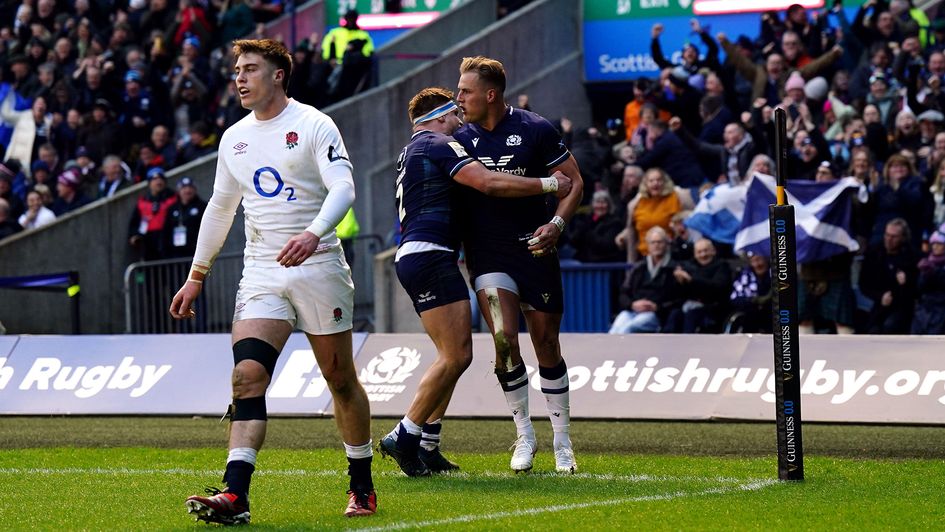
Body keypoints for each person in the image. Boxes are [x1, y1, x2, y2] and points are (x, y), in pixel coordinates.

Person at [169, 39, 376, 523]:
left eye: (251, 69)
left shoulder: (313, 124)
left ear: (279, 74)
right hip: (262, 269)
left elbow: (344, 187)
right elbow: (221, 209)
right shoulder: (234, 138)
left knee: (340, 380)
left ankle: (361, 484)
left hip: (318, 264)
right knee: (247, 377)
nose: (240, 78)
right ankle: (235, 496)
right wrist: (196, 275)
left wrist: (313, 233)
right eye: (236, 70)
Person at [378, 87, 571, 477]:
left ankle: (428, 443)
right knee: (457, 356)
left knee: (450, 356)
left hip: (420, 254)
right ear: (439, 116)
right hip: (431, 254)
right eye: (454, 115)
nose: (460, 123)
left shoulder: (411, 149)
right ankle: (406, 432)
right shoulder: (438, 142)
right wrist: (549, 185)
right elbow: (487, 183)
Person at [453, 56, 585, 473]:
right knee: (505, 339)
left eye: (465, 91)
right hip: (487, 253)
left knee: (546, 343)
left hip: (536, 248)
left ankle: (562, 442)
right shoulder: (460, 137)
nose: (459, 98)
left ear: (490, 95)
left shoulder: (535, 129)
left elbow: (574, 182)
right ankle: (524, 434)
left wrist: (557, 224)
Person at [609, 226, 681, 333]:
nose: (656, 245)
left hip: (655, 314)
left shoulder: (674, 268)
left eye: (660, 242)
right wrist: (632, 304)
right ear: (648, 246)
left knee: (628, 328)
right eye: (653, 242)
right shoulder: (639, 268)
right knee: (615, 328)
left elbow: (678, 299)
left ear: (666, 244)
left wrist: (657, 307)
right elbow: (624, 293)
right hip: (633, 310)